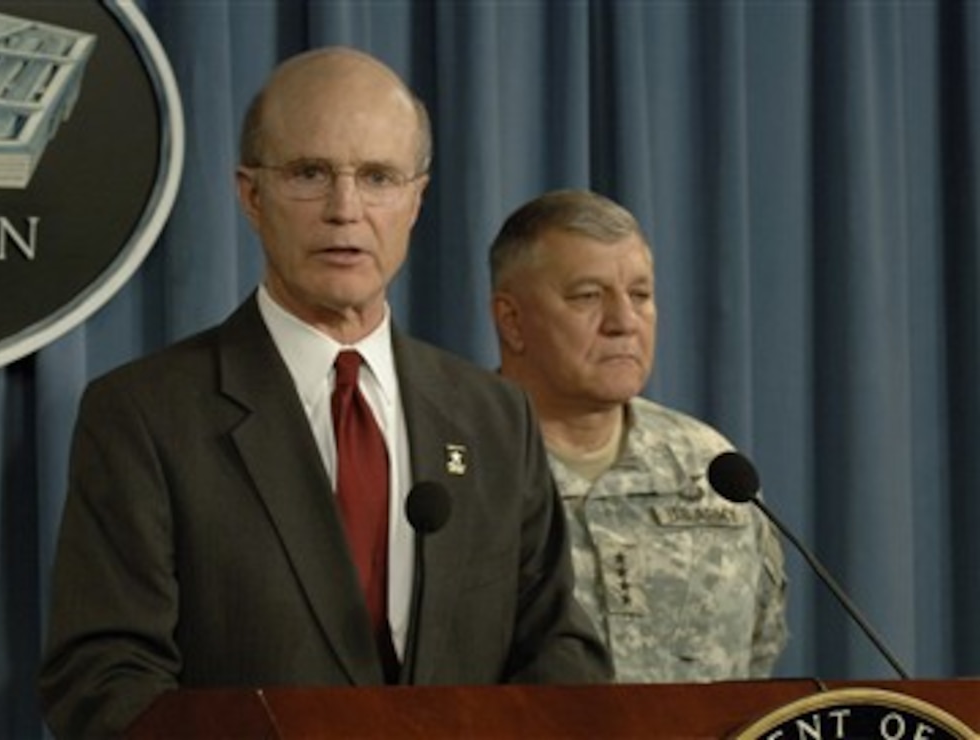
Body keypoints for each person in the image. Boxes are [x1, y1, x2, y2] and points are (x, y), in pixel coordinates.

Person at [38, 49, 611, 738]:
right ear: (251, 195)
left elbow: (559, 649)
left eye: (377, 178)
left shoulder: (493, 416)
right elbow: (104, 683)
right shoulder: (146, 415)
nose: (346, 210)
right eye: (310, 174)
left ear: (415, 200)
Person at [489, 189, 788, 682]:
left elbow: (760, 648)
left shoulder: (710, 467)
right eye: (587, 296)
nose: (623, 322)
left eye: (641, 296)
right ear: (512, 321)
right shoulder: (458, 462)